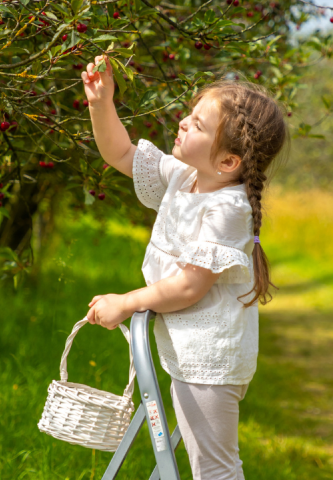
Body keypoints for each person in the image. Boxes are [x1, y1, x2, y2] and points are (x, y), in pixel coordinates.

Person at [83, 55, 289, 480]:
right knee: (199, 461)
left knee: (215, 469)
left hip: (211, 361)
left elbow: (189, 286)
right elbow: (120, 152)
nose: (182, 123)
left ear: (228, 162)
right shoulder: (183, 177)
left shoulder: (228, 208)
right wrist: (102, 105)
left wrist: (126, 301)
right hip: (188, 352)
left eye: (197, 125)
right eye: (188, 117)